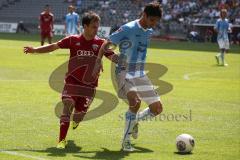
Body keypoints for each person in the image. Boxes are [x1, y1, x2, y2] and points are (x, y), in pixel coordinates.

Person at [24, 11, 118, 149]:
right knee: (67, 104)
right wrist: (35, 50)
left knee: (78, 116)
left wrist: (124, 62)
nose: (96, 29)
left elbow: (113, 57)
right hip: (72, 82)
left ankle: (77, 119)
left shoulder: (101, 44)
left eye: (97, 27)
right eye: (94, 26)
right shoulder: (73, 40)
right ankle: (61, 140)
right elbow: (54, 46)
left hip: (89, 87)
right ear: (85, 26)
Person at [107, 2, 163, 151]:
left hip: (140, 73)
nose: (154, 24)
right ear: (144, 15)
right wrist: (108, 58)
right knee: (135, 102)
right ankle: (126, 142)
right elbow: (107, 44)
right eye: (152, 20)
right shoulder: (128, 28)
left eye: (156, 21)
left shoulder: (148, 31)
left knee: (157, 109)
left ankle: (135, 121)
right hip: (124, 71)